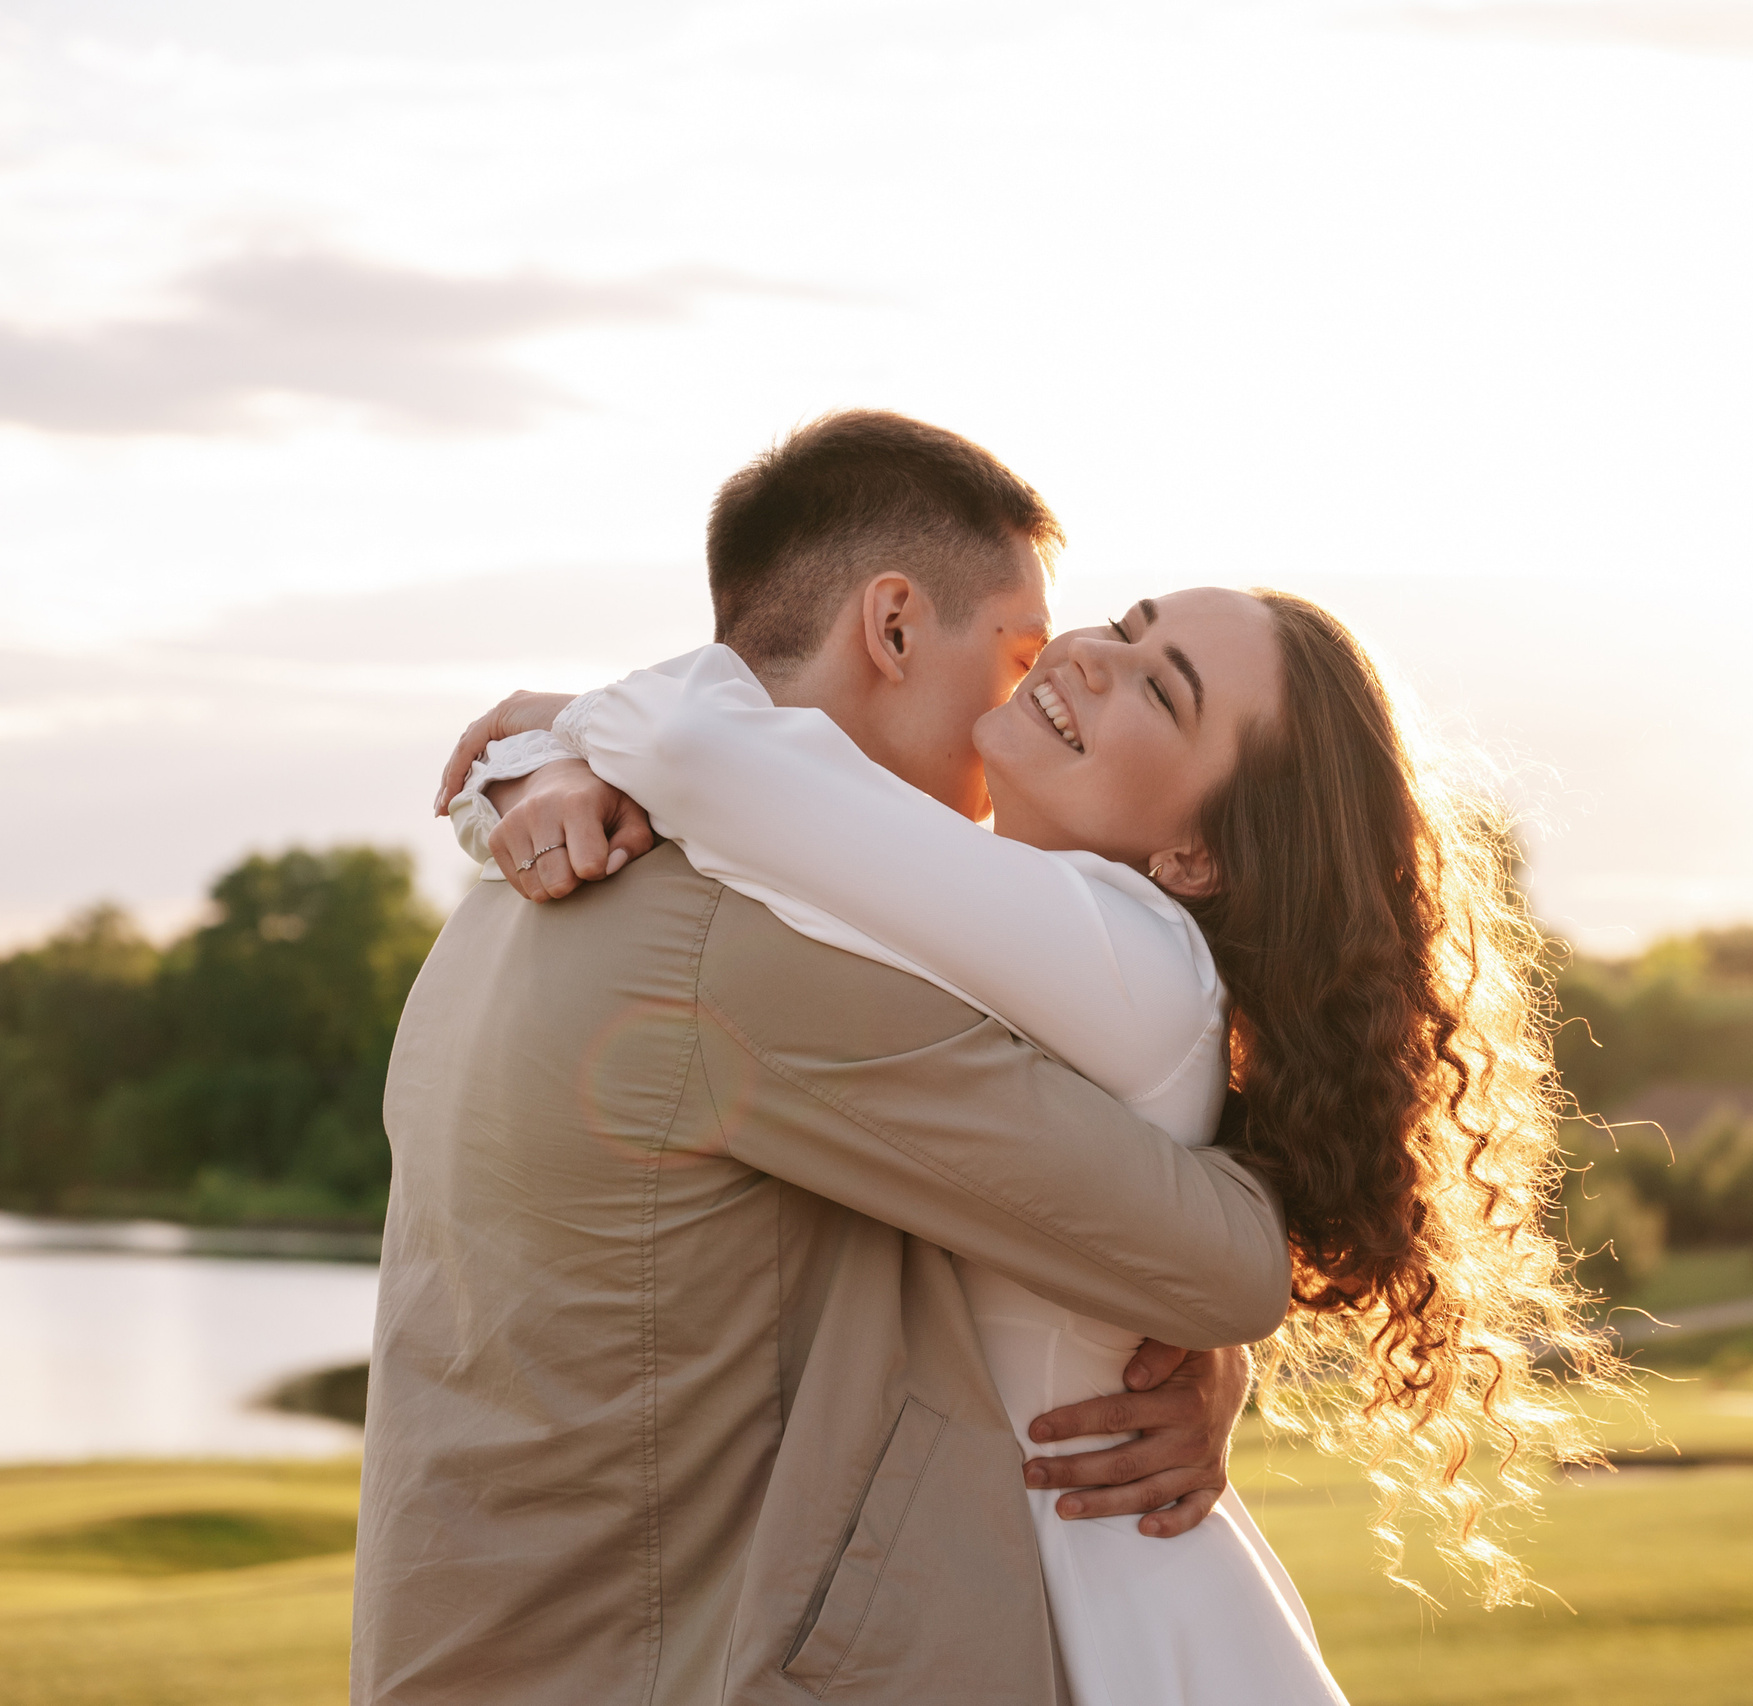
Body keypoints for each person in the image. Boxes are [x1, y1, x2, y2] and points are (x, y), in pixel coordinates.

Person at [449, 447, 1616, 1702]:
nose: (1086, 654)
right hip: (1044, 1588)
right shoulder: (1006, 929)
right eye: (1125, 622)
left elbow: (699, 749)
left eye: (1159, 692)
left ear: (1198, 854)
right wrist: (541, 771)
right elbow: (752, 814)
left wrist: (554, 740)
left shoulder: (1129, 953)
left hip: (1117, 1610)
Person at [354, 411, 1293, 1706]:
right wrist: (1188, 1328)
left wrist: (543, 745)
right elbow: (1222, 1259)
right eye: (1016, 657)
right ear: (895, 627)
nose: (1029, 701)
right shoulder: (758, 955)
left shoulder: (514, 896)